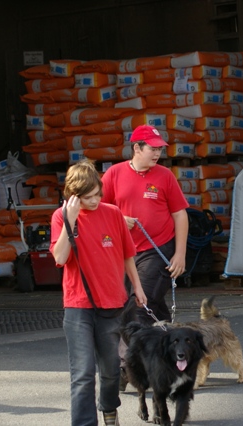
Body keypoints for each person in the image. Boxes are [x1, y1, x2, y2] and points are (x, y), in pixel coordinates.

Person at [50, 160, 148, 426]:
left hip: (112, 302)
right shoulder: (61, 217)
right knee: (82, 373)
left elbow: (128, 254)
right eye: (87, 197)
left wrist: (138, 287)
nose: (94, 201)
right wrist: (70, 221)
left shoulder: (113, 213)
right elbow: (60, 258)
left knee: (111, 369)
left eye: (97, 195)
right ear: (73, 196)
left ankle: (109, 407)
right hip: (78, 305)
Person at [101, 124, 189, 324]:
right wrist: (117, 220)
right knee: (144, 305)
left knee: (139, 308)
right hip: (125, 252)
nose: (157, 154)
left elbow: (180, 214)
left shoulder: (165, 175)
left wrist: (180, 254)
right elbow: (97, 209)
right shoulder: (114, 174)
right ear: (137, 148)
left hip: (158, 249)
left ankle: (134, 345)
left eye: (160, 149)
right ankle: (169, 339)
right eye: (153, 148)